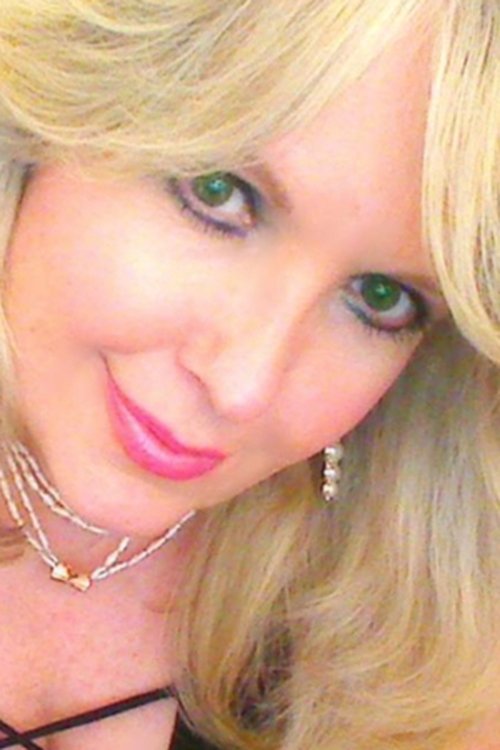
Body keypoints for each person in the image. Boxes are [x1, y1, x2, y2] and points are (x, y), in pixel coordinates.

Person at [0, 1, 498, 748]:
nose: (244, 387)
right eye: (219, 194)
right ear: (51, 109)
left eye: (379, 299)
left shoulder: (414, 675)